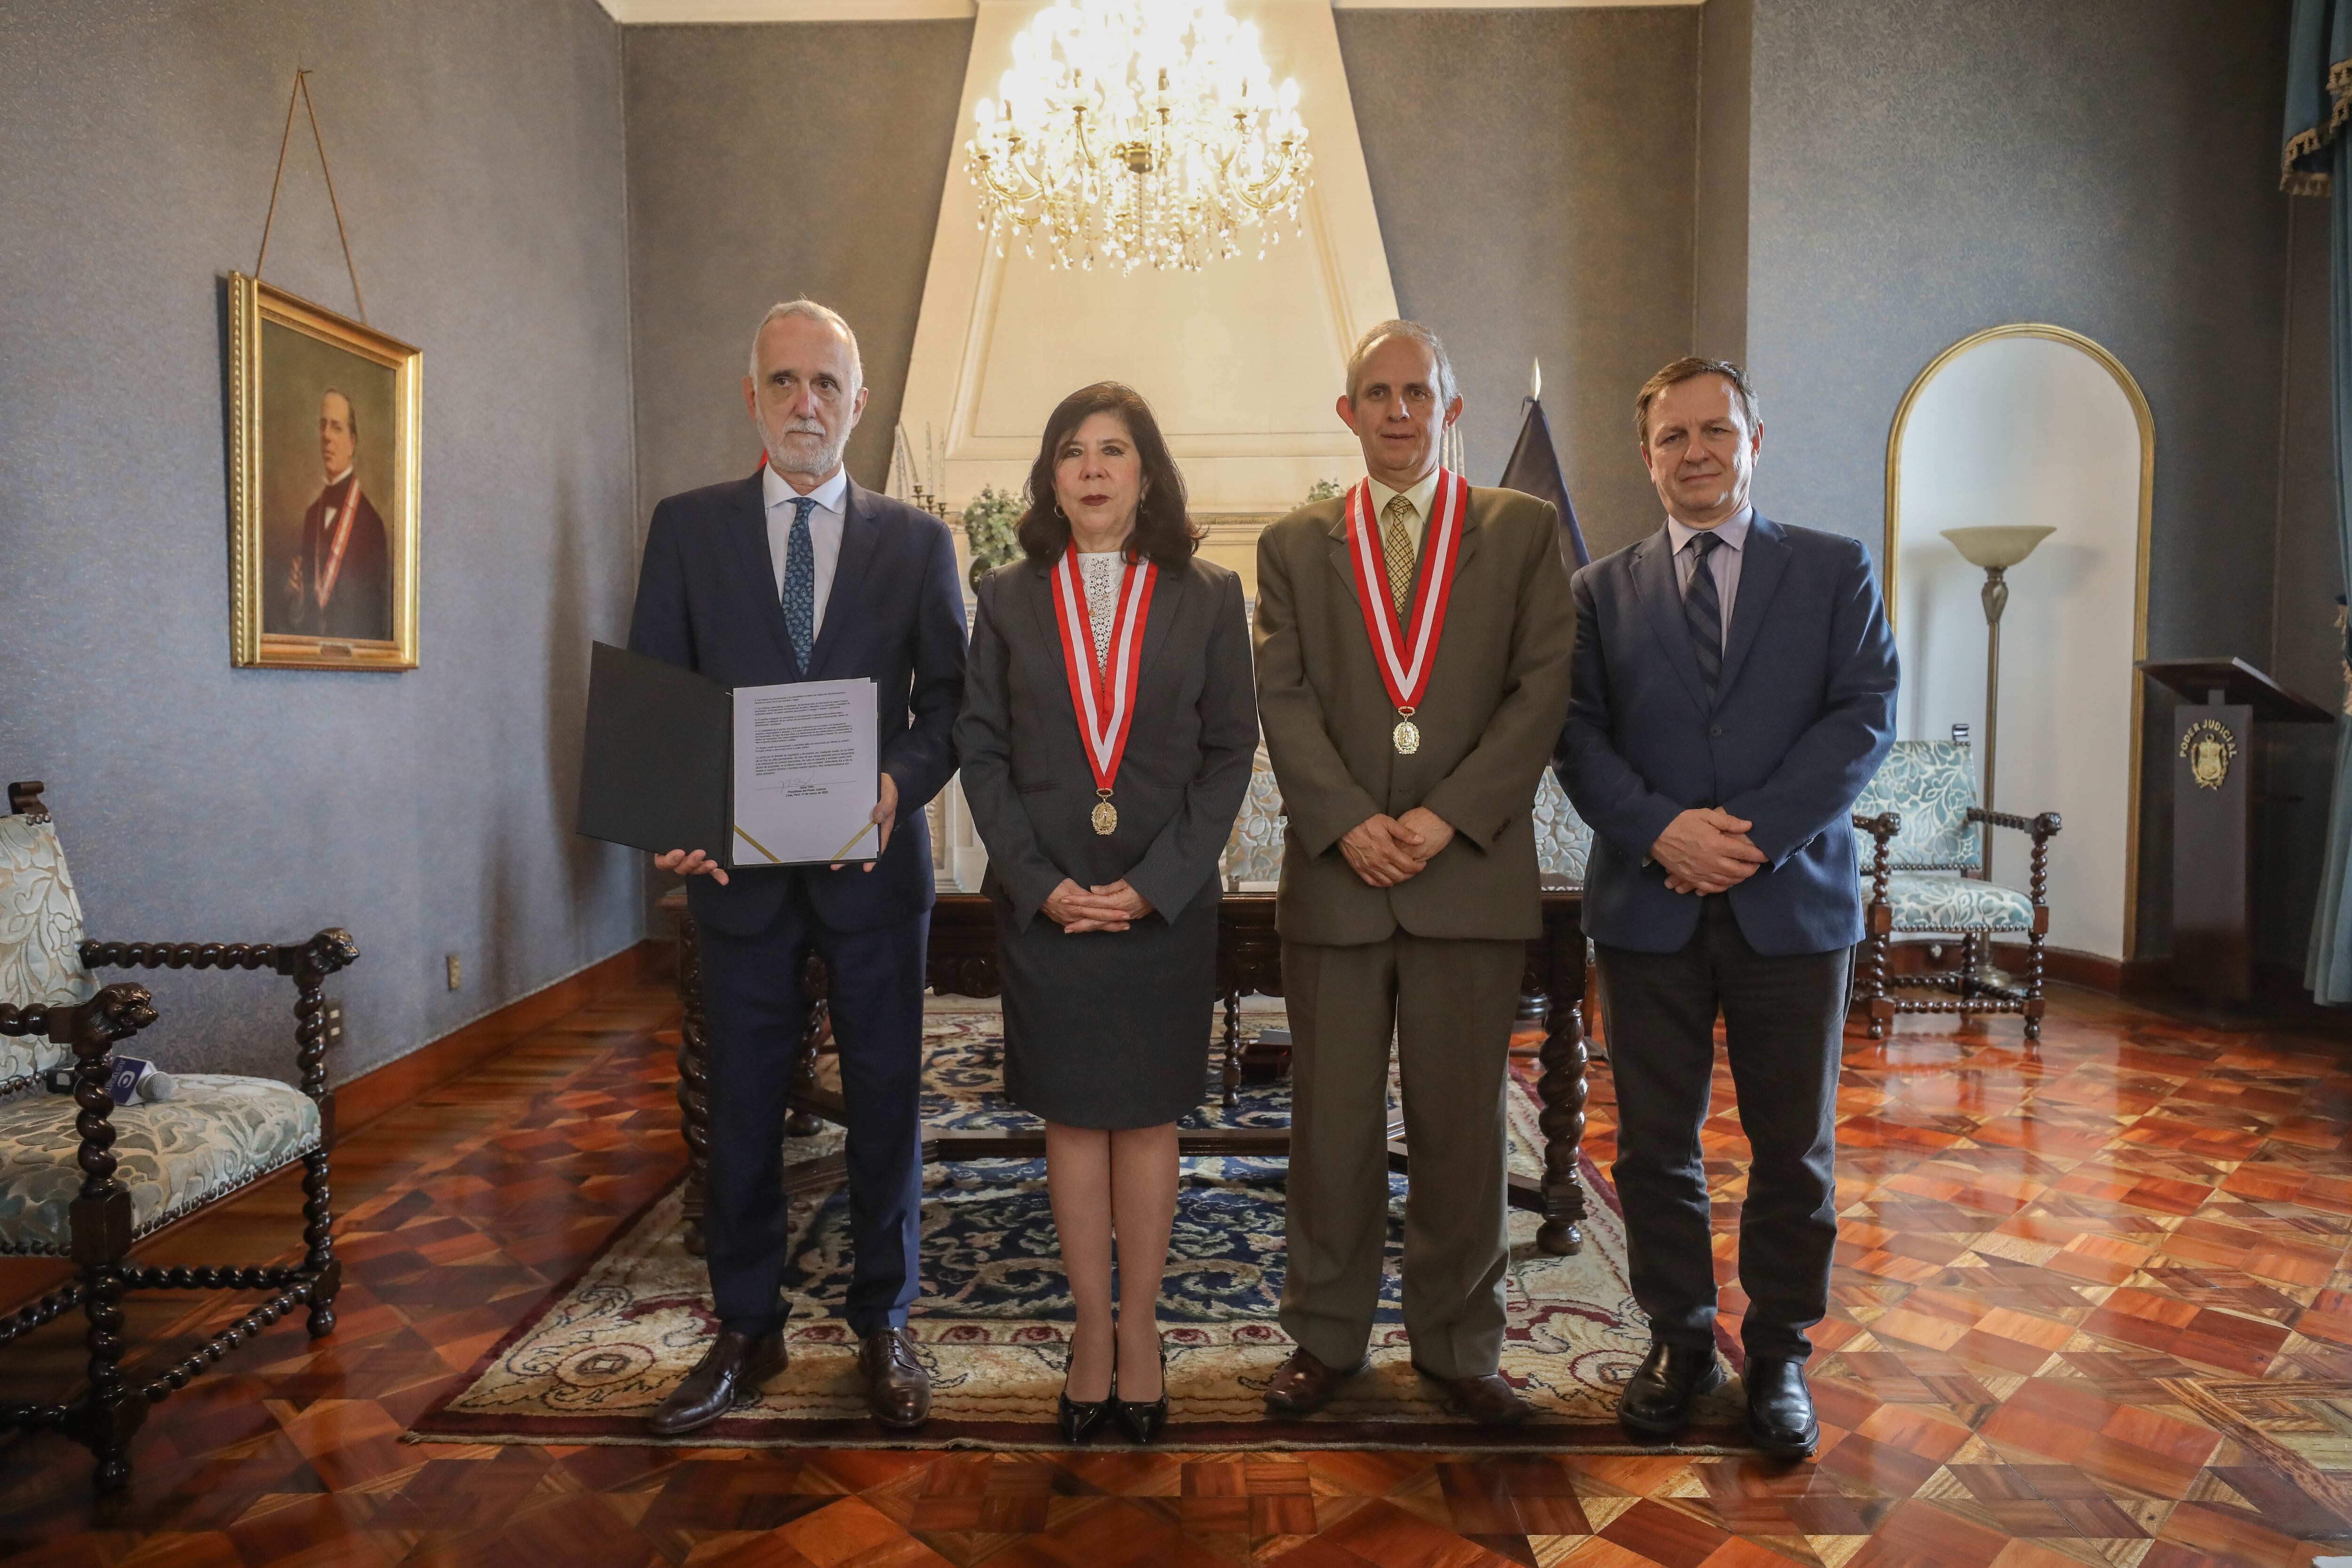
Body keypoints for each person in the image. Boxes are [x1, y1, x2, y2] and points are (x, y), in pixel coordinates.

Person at [628, 300, 968, 1435]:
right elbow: (658, 698)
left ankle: (885, 1321)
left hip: (875, 871)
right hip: (737, 879)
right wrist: (668, 814)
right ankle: (746, 1328)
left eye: (826, 384)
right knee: (741, 1108)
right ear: (751, 399)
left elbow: (951, 706)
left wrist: (896, 784)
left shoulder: (918, 543)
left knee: (882, 1103)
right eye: (783, 382)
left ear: (858, 404)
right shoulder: (687, 528)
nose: (805, 403)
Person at [1555, 358, 1896, 1457]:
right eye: (1672, 437)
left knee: (1791, 1149)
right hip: (1645, 907)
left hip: (1790, 908)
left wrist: (1748, 836)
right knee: (1654, 1145)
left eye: (1716, 431)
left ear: (1756, 439)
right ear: (1644, 455)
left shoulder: (1835, 569)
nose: (1695, 451)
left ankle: (1782, 1354)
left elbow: (1863, 716)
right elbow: (1578, 738)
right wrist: (1663, 830)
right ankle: (1681, 1339)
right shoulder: (1597, 592)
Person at [1252, 320, 1575, 1426]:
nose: (1397, 411)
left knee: (1462, 1131)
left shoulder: (1521, 531)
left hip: (1467, 878)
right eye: (1375, 394)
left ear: (1452, 408)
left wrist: (1444, 818)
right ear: (1347, 413)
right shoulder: (1295, 545)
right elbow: (1283, 698)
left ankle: (1458, 1344)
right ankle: (1324, 1338)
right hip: (1339, 885)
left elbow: (1541, 690)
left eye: (1417, 393)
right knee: (1329, 1128)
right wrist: (1347, 823)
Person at [954, 383, 1256, 1445]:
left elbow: (1228, 754)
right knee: (1074, 1115)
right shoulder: (1003, 594)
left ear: (1146, 472)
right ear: (1050, 474)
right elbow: (980, 751)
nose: (1091, 468)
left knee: (1148, 1114)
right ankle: (1091, 1330)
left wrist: (1156, 881)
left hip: (1161, 904)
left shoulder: (1209, 594)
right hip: (1049, 904)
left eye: (1114, 450)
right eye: (1072, 450)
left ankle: (1143, 1328)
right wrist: (1038, 882)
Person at [281, 388, 390, 640]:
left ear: (352, 443)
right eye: (323, 425)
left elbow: (378, 624)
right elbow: (303, 620)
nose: (327, 436)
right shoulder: (311, 516)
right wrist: (297, 605)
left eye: (337, 428)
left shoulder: (372, 524)